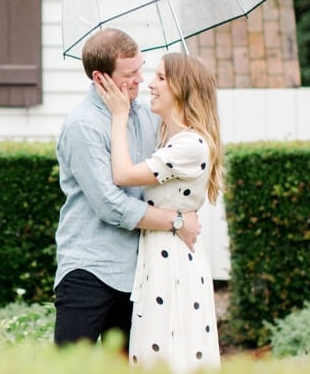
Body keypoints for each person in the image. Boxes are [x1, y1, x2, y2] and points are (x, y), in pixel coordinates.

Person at [54, 28, 201, 350]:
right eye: (129, 74)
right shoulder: (84, 126)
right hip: (91, 269)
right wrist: (176, 221)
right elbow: (110, 204)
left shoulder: (147, 116)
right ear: (100, 77)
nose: (140, 80)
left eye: (141, 69)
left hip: (141, 271)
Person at [94, 51, 224, 374]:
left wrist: (119, 116)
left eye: (161, 78)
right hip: (159, 256)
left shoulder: (191, 145)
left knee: (169, 356)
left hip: (174, 264)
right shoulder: (171, 137)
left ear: (182, 88)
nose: (151, 84)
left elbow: (122, 175)